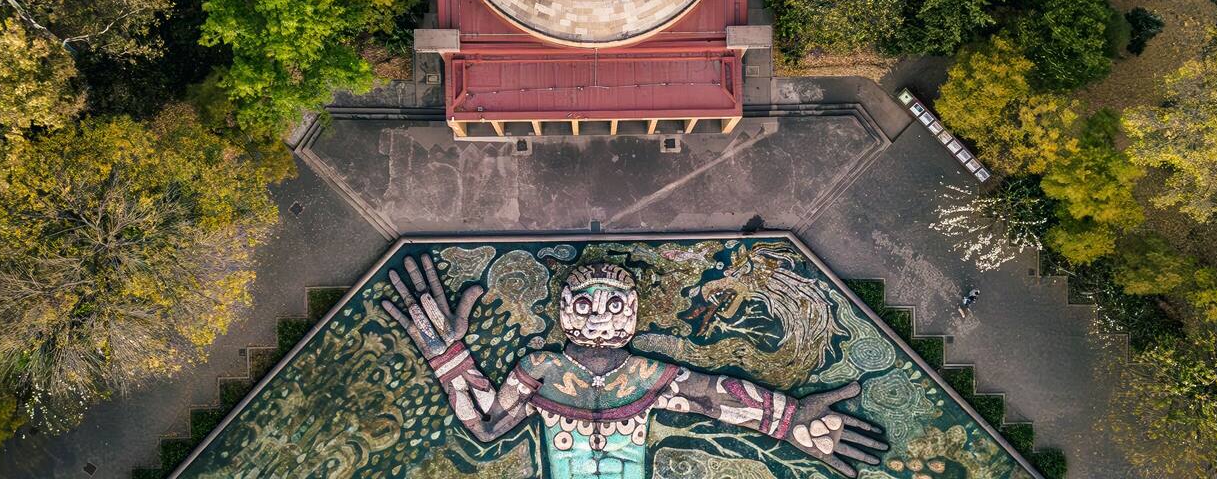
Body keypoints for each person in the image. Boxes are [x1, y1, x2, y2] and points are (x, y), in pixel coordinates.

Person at [380, 255, 888, 479]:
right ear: (563, 312)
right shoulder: (539, 371)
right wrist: (449, 357)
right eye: (585, 303)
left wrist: (792, 419)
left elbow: (718, 397)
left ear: (634, 314)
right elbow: (489, 424)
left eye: (614, 303)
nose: (600, 313)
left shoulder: (650, 377)